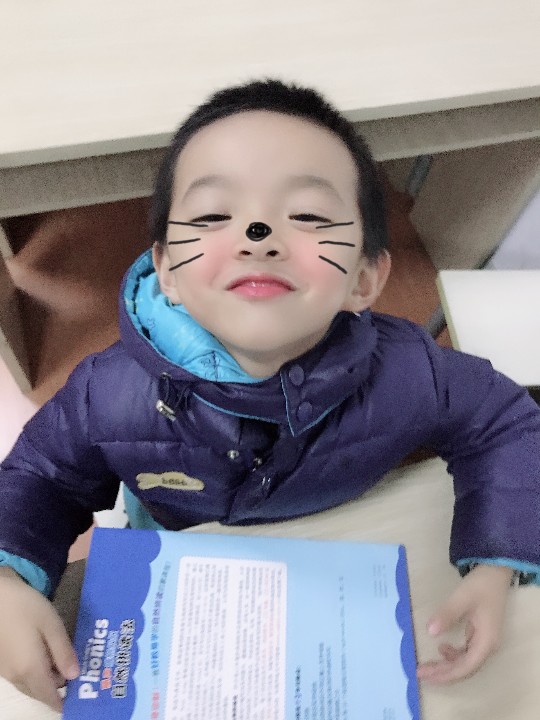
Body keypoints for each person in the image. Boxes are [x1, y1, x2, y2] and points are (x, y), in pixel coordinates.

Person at [0, 78, 539, 711]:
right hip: (180, 571)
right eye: (212, 216)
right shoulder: (108, 394)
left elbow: (504, 420)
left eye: (307, 215)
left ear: (365, 278)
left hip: (337, 566)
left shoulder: (407, 371)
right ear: (166, 269)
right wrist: (6, 579)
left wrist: (498, 561)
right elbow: (38, 480)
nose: (257, 232)